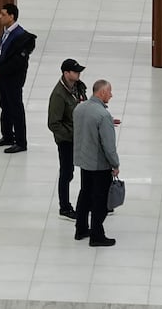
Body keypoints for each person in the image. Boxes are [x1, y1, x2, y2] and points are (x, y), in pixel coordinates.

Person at [73, 79, 120, 247]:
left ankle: (81, 229)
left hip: (84, 161)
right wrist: (115, 164)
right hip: (100, 165)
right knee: (100, 201)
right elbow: (108, 145)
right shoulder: (103, 115)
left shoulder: (79, 108)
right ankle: (97, 234)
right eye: (110, 92)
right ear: (101, 93)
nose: (111, 95)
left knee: (85, 194)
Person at [0, 3, 37, 152]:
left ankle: (21, 142)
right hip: (2, 77)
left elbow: (17, 62)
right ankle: (8, 135)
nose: (0, 17)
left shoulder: (22, 37)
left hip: (13, 78)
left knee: (16, 108)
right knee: (5, 106)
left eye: (3, 14)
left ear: (12, 16)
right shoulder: (5, 33)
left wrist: (0, 70)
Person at [47, 59, 88, 221]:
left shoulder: (79, 87)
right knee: (67, 172)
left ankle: (89, 202)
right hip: (67, 141)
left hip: (82, 136)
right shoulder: (58, 94)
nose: (78, 73)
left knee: (89, 169)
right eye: (75, 71)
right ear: (66, 73)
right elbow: (53, 123)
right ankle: (64, 207)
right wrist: (71, 135)